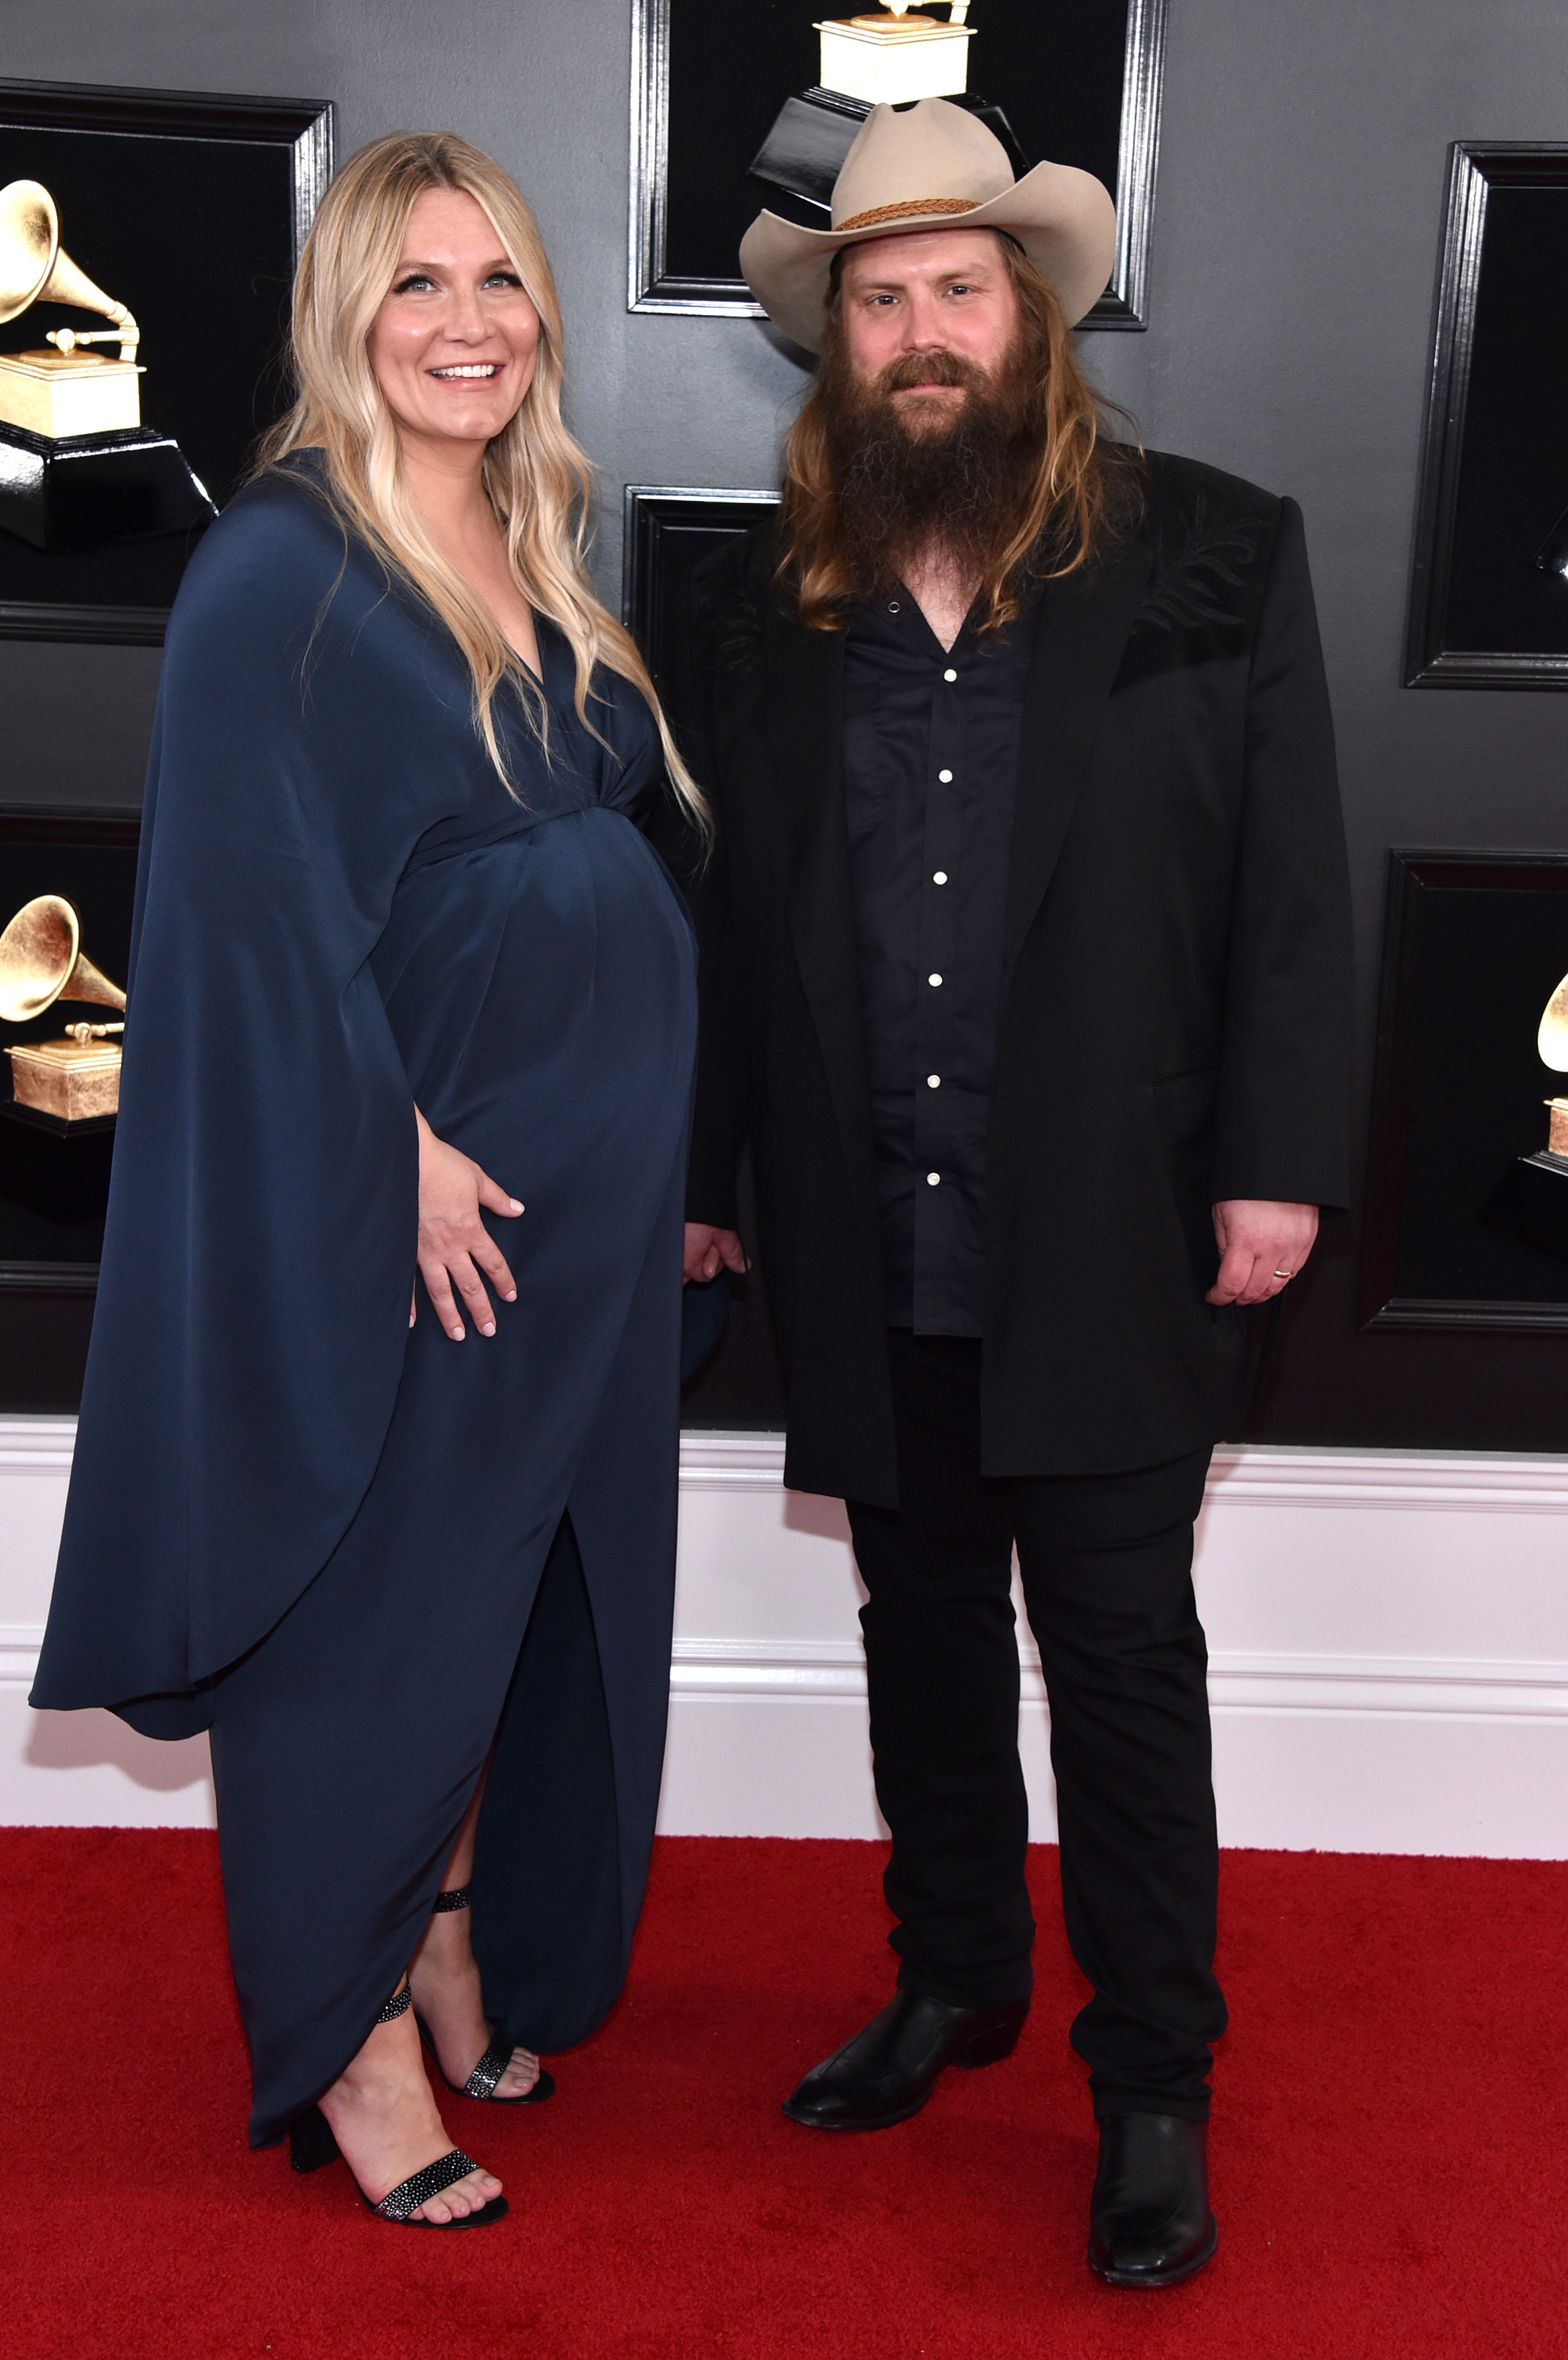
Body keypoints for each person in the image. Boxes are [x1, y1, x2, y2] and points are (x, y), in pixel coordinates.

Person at [680, 100, 1351, 2288]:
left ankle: (1151, 2078)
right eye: (877, 300)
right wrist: (708, 1179)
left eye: (956, 287)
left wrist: (1271, 1167)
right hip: (869, 1218)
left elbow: (1284, 901)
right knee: (922, 1640)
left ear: (1031, 312)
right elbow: (710, 912)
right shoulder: (767, 604)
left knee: (1124, 1663)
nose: (918, 330)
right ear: (838, 348)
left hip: (1115, 1217)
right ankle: (954, 1974)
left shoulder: (1220, 552)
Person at [32, 133, 700, 2228]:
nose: (468, 323)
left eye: (498, 282)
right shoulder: (285, 566)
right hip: (420, 1208)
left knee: (504, 1608)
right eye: (417, 284)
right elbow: (245, 922)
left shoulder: (527, 530)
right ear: (346, 311)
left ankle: (437, 1929)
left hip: (581, 1214)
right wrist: (389, 1154)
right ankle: (342, 2046)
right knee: (378, 1617)